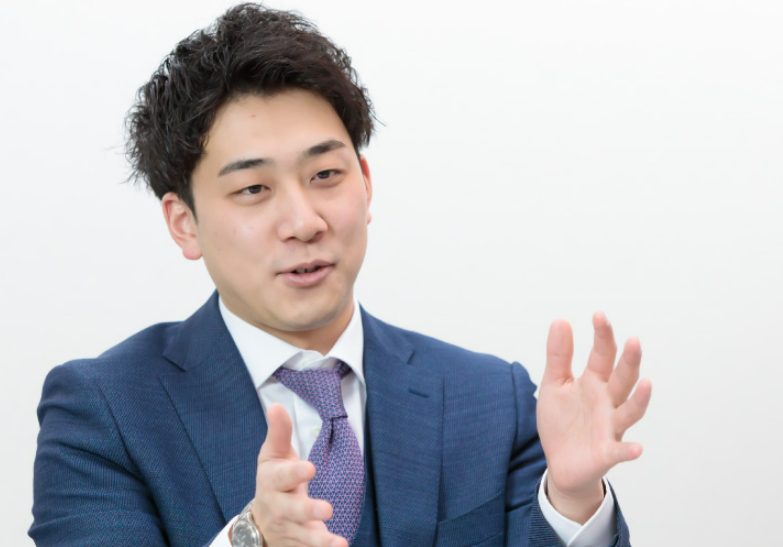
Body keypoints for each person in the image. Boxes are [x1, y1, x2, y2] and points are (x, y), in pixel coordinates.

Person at [30, 4, 651, 546]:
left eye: (325, 175)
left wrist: (572, 500)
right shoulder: (105, 411)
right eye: (253, 189)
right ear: (184, 223)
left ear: (366, 182)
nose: (304, 222)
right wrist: (253, 538)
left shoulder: (492, 400)